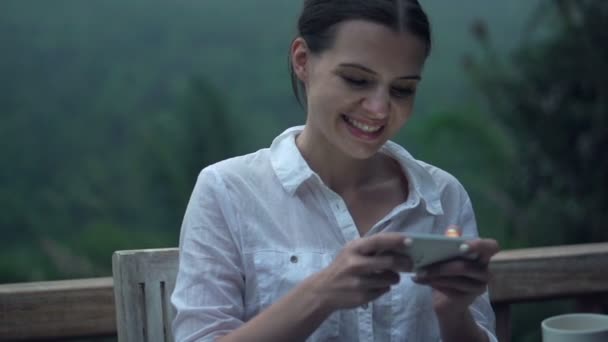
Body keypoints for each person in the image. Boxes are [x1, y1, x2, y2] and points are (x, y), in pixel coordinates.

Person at [171, 0, 501, 341]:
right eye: (357, 80)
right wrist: (320, 294)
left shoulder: (442, 196)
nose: (378, 109)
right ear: (302, 60)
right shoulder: (228, 191)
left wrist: (453, 312)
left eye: (402, 89)